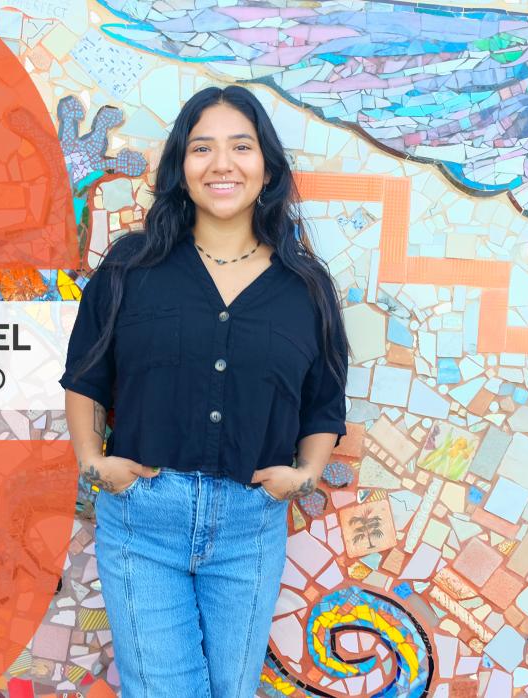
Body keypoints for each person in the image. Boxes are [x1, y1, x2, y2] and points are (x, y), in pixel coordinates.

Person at [59, 85, 349, 698]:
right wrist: (92, 461)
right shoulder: (130, 268)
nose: (222, 164)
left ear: (266, 166)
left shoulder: (305, 287)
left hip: (250, 527)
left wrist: (304, 476)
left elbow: (324, 401)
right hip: (143, 520)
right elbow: (86, 376)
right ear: (180, 168)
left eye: (241, 146)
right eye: (202, 148)